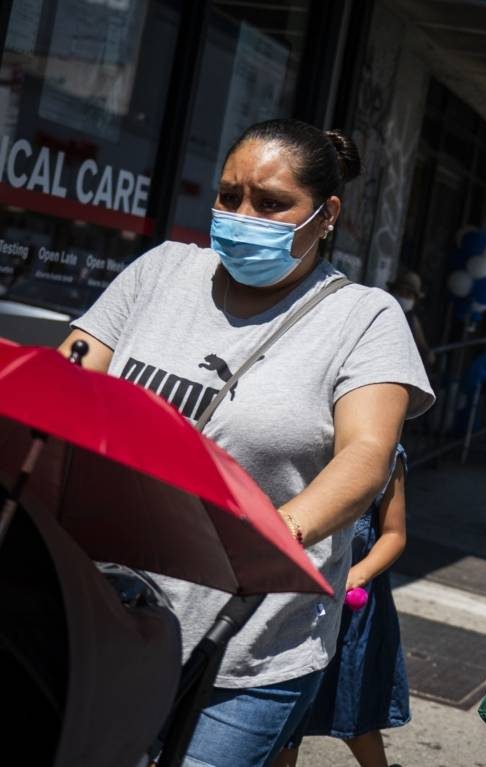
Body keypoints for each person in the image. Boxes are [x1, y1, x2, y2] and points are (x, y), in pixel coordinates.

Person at [59, 118, 434, 766]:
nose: (240, 215)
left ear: (326, 214)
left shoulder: (365, 318)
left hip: (247, 646)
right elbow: (68, 382)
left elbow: (366, 457)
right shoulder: (162, 271)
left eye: (269, 202)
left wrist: (267, 536)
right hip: (105, 619)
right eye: (229, 196)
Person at [280, 445, 411, 767]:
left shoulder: (386, 454)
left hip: (351, 612)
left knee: (353, 710)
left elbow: (394, 534)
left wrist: (357, 575)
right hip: (294, 599)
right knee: (285, 717)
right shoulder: (303, 440)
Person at [388, 269, 435, 367]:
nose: (403, 297)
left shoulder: (412, 319)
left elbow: (422, 344)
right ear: (393, 291)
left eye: (408, 295)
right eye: (401, 292)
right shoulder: (381, 310)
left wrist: (428, 354)